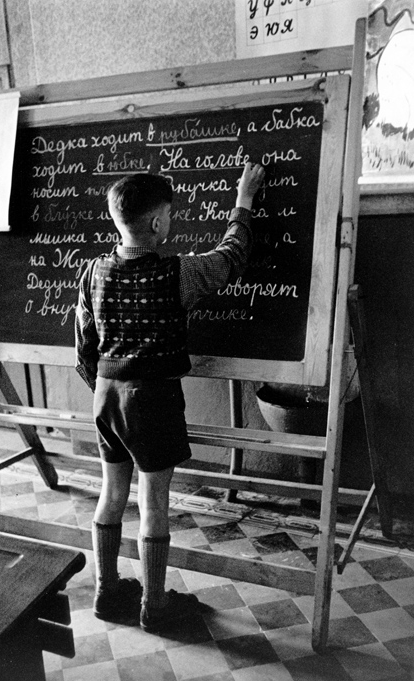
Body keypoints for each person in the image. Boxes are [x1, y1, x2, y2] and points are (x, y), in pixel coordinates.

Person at [75, 161, 264, 631]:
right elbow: (231, 255)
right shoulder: (179, 274)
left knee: (112, 491)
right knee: (154, 502)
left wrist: (102, 383)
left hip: (106, 396)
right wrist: (244, 199)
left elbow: (84, 342)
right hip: (153, 399)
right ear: (158, 223)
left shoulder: (93, 271)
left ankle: (107, 590)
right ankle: (154, 605)